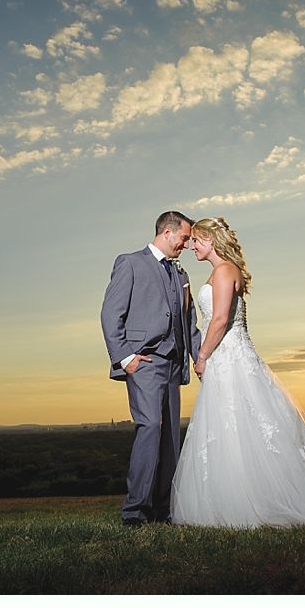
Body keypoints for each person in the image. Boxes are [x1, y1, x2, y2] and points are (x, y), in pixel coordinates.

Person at [170, 217, 305, 528]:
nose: (192, 246)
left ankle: (249, 503)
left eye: (197, 240)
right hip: (231, 356)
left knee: (237, 428)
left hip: (228, 356)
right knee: (232, 429)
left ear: (210, 240)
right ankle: (235, 499)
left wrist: (202, 356)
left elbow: (220, 320)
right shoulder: (223, 271)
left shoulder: (223, 272)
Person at [101, 211, 202, 526]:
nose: (186, 245)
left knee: (171, 437)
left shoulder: (181, 275)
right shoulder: (130, 263)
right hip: (143, 361)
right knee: (150, 428)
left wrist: (200, 360)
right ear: (168, 232)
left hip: (174, 364)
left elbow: (190, 324)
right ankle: (135, 511)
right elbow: (109, 314)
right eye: (184, 238)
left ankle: (163, 509)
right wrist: (125, 357)